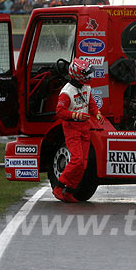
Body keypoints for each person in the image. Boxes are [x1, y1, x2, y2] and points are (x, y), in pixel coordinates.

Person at [53, 58, 104, 202]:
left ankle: (69, 191)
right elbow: (60, 112)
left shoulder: (86, 87)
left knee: (83, 164)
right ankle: (58, 186)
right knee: (77, 160)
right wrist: (76, 115)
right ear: (77, 75)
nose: (89, 77)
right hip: (72, 128)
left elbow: (91, 102)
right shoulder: (66, 92)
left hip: (85, 127)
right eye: (86, 74)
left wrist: (97, 113)